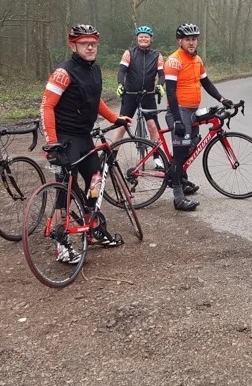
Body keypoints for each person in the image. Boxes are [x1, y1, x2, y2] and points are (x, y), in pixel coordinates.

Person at [40, 24, 130, 263]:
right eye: (84, 43)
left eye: (93, 43)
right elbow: (47, 106)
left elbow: (94, 100)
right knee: (65, 192)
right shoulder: (63, 72)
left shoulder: (95, 69)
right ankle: (61, 244)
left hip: (84, 136)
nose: (90, 47)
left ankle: (92, 227)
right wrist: (52, 142)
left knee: (96, 180)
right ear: (73, 45)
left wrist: (115, 118)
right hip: (65, 138)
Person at [164, 23, 233, 211]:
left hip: (192, 111)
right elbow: (170, 93)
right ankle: (178, 197)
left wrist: (222, 98)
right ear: (180, 41)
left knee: (193, 143)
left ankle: (177, 176)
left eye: (194, 39)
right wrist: (177, 119)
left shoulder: (197, 60)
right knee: (179, 155)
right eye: (188, 39)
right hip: (178, 112)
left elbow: (206, 83)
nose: (191, 42)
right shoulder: (173, 61)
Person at [111, 25, 166, 170]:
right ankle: (110, 158)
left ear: (151, 39)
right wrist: (120, 84)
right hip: (130, 94)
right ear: (137, 39)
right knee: (122, 125)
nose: (143, 39)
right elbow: (122, 71)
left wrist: (160, 85)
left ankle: (157, 159)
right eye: (141, 36)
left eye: (146, 37)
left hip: (148, 95)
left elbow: (162, 74)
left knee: (153, 127)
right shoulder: (129, 53)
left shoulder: (157, 55)